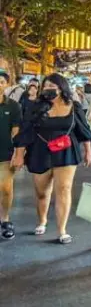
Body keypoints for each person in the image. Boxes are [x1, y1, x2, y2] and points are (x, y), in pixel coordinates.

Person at [11, 73, 91, 243]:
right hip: (40, 151)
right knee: (42, 192)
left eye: (52, 87)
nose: (48, 90)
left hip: (66, 151)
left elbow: (83, 131)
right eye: (46, 87)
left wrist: (88, 151)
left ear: (62, 88)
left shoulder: (74, 106)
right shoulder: (36, 107)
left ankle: (62, 230)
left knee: (64, 188)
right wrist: (19, 154)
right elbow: (25, 131)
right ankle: (42, 221)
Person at [0, 72, 22, 239]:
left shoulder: (13, 106)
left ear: (6, 85)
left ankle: (5, 219)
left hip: (6, 155)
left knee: (6, 189)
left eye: (1, 82)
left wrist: (17, 153)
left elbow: (16, 131)